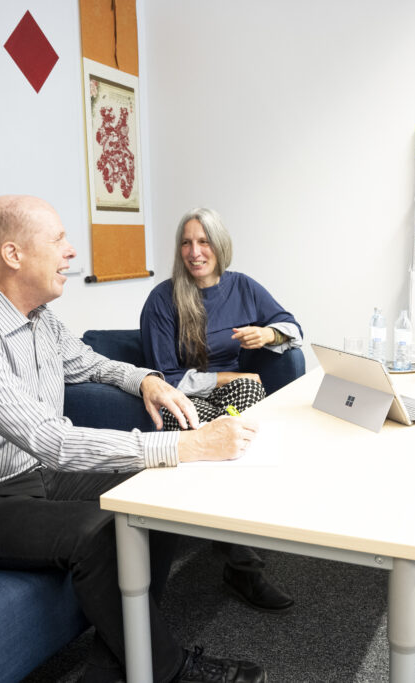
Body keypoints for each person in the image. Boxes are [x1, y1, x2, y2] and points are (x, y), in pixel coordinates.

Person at [0, 195, 267, 683]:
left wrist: (146, 380)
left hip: (31, 475)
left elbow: (90, 363)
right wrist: (186, 445)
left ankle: (110, 669)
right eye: (58, 240)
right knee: (102, 533)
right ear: (13, 255)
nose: (71, 252)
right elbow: (52, 441)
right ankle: (168, 671)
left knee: (151, 494)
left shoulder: (38, 319)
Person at [140, 207, 302, 613]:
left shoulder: (243, 286)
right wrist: (228, 379)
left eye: (203, 241)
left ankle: (238, 542)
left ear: (219, 246)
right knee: (241, 410)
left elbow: (294, 330)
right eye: (186, 243)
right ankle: (243, 562)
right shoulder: (163, 298)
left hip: (234, 402)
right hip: (187, 401)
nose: (195, 252)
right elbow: (167, 377)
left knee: (242, 418)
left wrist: (268, 332)